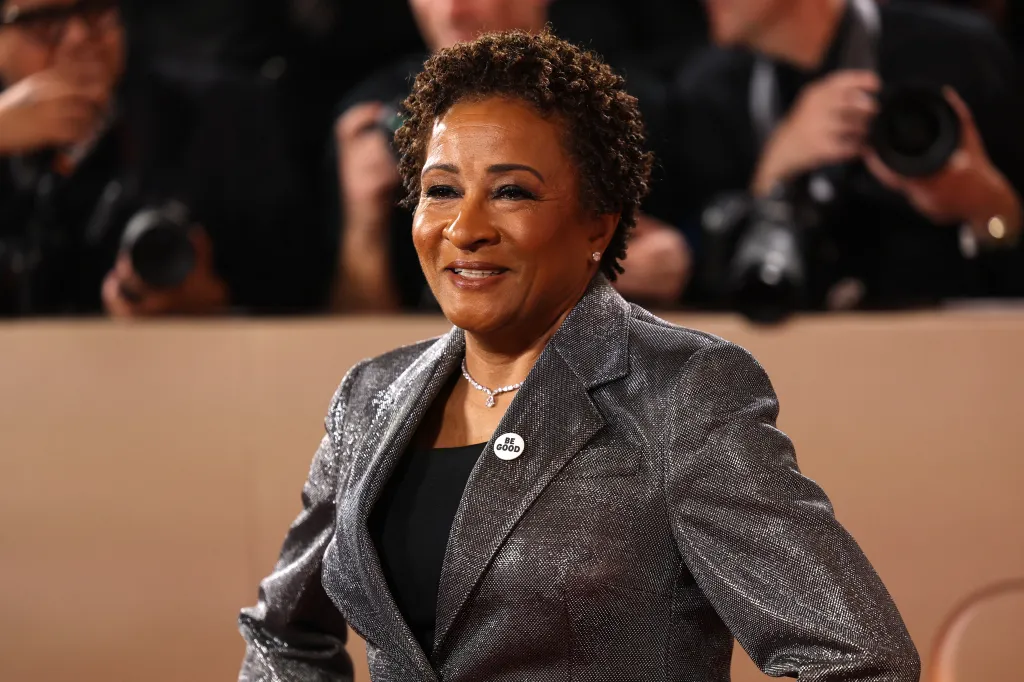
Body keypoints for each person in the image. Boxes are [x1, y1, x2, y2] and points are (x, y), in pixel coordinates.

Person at [239, 31, 920, 682]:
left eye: (512, 192)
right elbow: (283, 637)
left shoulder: (683, 393)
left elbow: (863, 658)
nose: (466, 229)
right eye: (442, 190)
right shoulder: (370, 396)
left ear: (599, 222)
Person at [328, 0, 695, 313]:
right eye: (442, 190)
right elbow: (347, 344)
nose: (452, 10)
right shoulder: (369, 119)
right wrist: (364, 227)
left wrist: (680, 262)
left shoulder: (634, 109)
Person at [665, 0, 1024, 312]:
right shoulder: (709, 91)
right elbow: (700, 288)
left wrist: (985, 204)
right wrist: (770, 183)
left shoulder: (958, 53)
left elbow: (1006, 237)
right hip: (798, 371)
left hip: (961, 360)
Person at [0, 0, 324, 316]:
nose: (79, 36)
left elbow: (302, 293)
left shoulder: (228, 116)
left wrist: (215, 304)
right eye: (43, 22)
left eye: (95, 9)